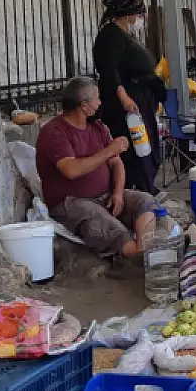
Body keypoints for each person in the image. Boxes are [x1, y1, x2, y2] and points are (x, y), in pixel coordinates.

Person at [36, 77, 157, 261]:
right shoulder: (55, 132)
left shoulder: (99, 127)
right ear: (84, 105)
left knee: (145, 201)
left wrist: (117, 193)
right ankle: (137, 257)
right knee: (109, 229)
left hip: (105, 196)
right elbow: (71, 170)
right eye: (97, 98)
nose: (100, 103)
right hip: (72, 203)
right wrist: (109, 150)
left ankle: (144, 250)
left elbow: (116, 163)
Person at [92, 0, 162, 194]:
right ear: (128, 14)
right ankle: (137, 187)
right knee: (134, 146)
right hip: (126, 99)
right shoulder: (110, 35)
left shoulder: (123, 34)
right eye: (139, 14)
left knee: (144, 144)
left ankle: (146, 185)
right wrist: (123, 97)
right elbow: (109, 70)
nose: (141, 19)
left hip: (140, 95)